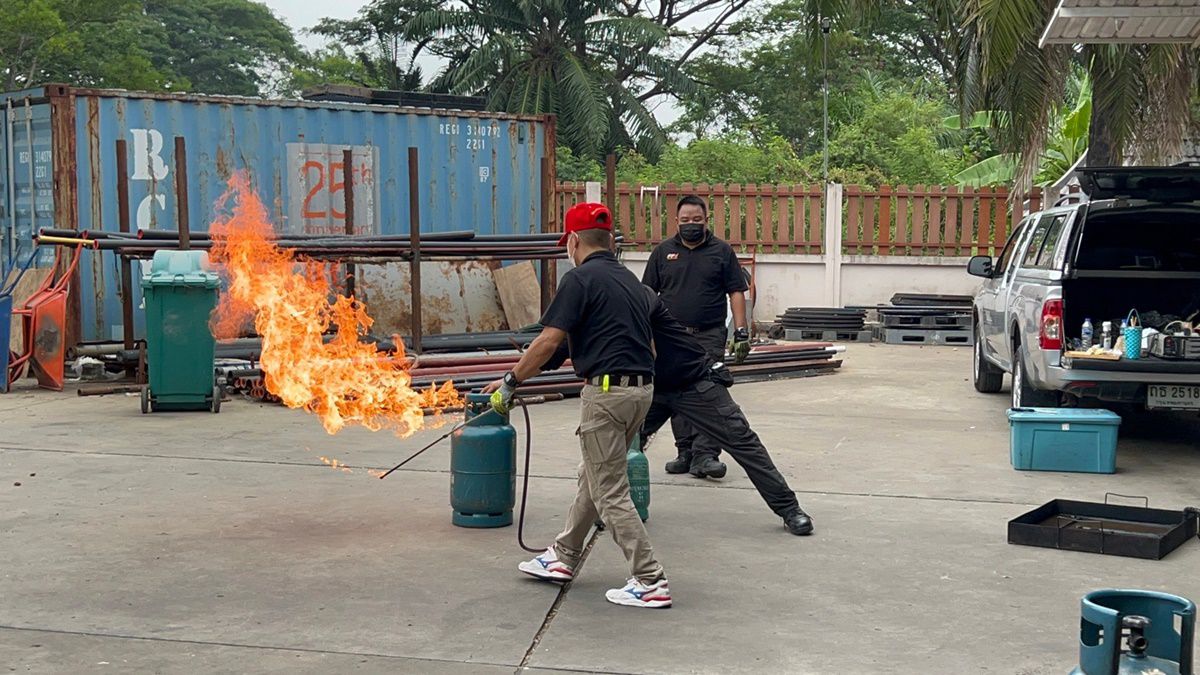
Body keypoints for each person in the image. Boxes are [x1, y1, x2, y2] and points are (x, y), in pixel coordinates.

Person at [484, 202, 671, 610]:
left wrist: (511, 382)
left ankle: (650, 579)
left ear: (573, 241)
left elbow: (549, 340)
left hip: (606, 395)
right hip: (641, 391)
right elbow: (643, 345)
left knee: (610, 491)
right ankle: (564, 555)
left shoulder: (580, 279)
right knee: (595, 475)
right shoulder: (628, 280)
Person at [639, 286, 815, 536]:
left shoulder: (638, 296)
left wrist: (741, 332)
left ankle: (789, 508)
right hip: (651, 387)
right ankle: (607, 509)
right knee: (615, 445)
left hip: (693, 380)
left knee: (741, 439)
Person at [641, 194, 751, 480]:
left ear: (706, 220)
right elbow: (647, 294)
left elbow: (736, 292)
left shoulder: (721, 251)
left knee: (708, 391)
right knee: (675, 392)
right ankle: (685, 451)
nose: (691, 224)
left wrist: (741, 331)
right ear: (676, 221)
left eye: (697, 219)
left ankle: (706, 455)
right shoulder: (662, 252)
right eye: (686, 220)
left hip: (709, 334)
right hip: (671, 338)